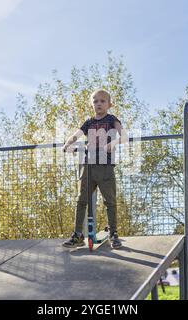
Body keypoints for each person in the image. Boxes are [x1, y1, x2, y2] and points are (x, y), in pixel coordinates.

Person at [62, 89, 128, 249]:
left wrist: (111, 144)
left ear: (109, 104)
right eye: (95, 101)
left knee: (110, 201)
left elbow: (124, 137)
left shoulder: (112, 119)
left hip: (105, 166)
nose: (99, 104)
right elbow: (77, 134)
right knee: (81, 199)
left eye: (102, 101)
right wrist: (68, 143)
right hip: (88, 165)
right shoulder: (89, 122)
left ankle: (113, 234)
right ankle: (78, 235)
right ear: (92, 105)